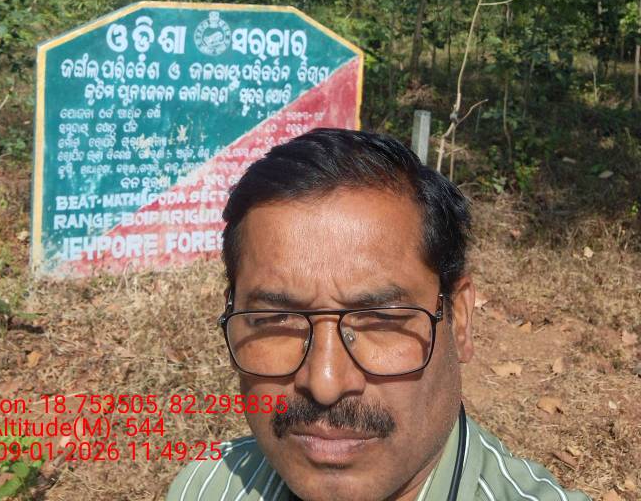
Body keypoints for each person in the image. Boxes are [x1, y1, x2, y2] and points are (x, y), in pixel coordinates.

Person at [167, 128, 590, 501]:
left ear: (459, 319)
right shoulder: (204, 487)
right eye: (277, 320)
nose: (325, 384)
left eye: (381, 320)